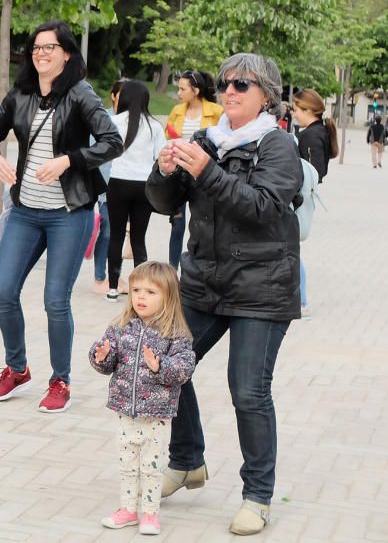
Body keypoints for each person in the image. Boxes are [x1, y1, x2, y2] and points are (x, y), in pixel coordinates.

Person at [146, 53, 302, 535]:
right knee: (164, 363)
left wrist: (206, 170)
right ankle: (187, 460)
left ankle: (257, 496)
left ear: (266, 96)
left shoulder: (278, 147)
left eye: (242, 84)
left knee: (248, 391)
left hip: (262, 288)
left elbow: (262, 208)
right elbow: (164, 204)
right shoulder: (204, 140)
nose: (229, 91)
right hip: (203, 282)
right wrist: (165, 170)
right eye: (225, 83)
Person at [0, 19, 122, 412]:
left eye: (49, 48)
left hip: (68, 213)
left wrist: (69, 160)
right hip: (26, 210)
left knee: (55, 300)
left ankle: (60, 380)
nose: (41, 54)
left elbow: (113, 142)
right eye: (36, 48)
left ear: (67, 54)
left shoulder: (80, 95)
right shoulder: (21, 92)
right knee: (3, 291)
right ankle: (16, 368)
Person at [90, 261, 195, 536]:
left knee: (150, 465)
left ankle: (150, 514)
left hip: (157, 414)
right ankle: (127, 509)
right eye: (136, 289)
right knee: (127, 463)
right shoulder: (121, 326)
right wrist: (100, 356)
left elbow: (184, 368)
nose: (140, 297)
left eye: (150, 291)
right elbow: (107, 362)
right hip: (125, 410)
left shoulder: (175, 333)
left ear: (168, 296)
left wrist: (160, 366)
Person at [105, 80, 165, 302]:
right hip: (143, 186)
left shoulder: (113, 121)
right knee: (139, 239)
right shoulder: (155, 126)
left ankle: (112, 288)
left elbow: (104, 151)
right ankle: (141, 290)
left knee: (116, 236)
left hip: (118, 183)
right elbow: (161, 157)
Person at [164, 70, 223, 270]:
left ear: (195, 90)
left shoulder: (217, 111)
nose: (179, 92)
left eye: (182, 88)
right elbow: (168, 137)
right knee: (177, 226)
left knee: (203, 225)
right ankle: (172, 271)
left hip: (204, 174)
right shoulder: (177, 111)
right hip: (181, 174)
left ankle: (204, 268)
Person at [291, 88, 338, 311]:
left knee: (290, 247)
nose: (293, 113)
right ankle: (299, 298)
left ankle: (300, 299)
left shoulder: (311, 135)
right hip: (302, 197)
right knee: (291, 247)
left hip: (300, 199)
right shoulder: (316, 131)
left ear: (308, 110)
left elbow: (315, 170)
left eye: (296, 109)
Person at [92, 80, 125, 295]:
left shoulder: (134, 121)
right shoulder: (103, 118)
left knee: (117, 232)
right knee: (108, 230)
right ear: (113, 96)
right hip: (103, 183)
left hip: (124, 184)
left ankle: (114, 276)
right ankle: (99, 278)